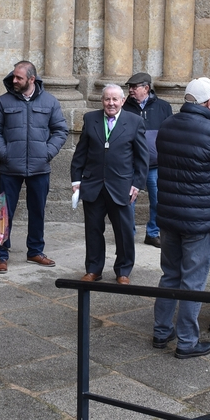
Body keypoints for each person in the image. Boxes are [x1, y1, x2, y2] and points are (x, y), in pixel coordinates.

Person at [152, 77, 210, 359]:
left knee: (170, 274)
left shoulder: (168, 125)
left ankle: (160, 331)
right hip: (199, 218)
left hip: (169, 214)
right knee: (193, 280)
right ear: (209, 102)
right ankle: (187, 341)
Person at [0, 61, 68, 273]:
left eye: (19, 78)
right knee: (4, 213)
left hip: (39, 167)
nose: (14, 80)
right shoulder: (2, 102)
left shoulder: (50, 102)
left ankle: (35, 250)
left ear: (31, 79)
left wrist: (47, 152)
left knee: (37, 211)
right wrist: (4, 154)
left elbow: (60, 130)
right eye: (13, 77)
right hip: (10, 168)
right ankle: (2, 254)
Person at [71, 84, 148, 285]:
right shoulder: (90, 119)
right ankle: (93, 269)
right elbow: (81, 153)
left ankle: (123, 270)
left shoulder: (134, 121)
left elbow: (142, 158)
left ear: (122, 101)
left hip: (121, 187)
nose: (111, 103)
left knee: (124, 231)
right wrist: (76, 180)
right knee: (93, 230)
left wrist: (137, 184)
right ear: (102, 100)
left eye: (115, 99)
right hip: (93, 186)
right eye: (107, 99)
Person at [121, 72, 173, 248]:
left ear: (146, 88)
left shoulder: (163, 107)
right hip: (130, 164)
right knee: (128, 201)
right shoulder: (124, 107)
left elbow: (168, 135)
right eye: (129, 87)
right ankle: (128, 233)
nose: (131, 90)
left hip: (155, 165)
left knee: (158, 200)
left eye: (134, 87)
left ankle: (153, 233)